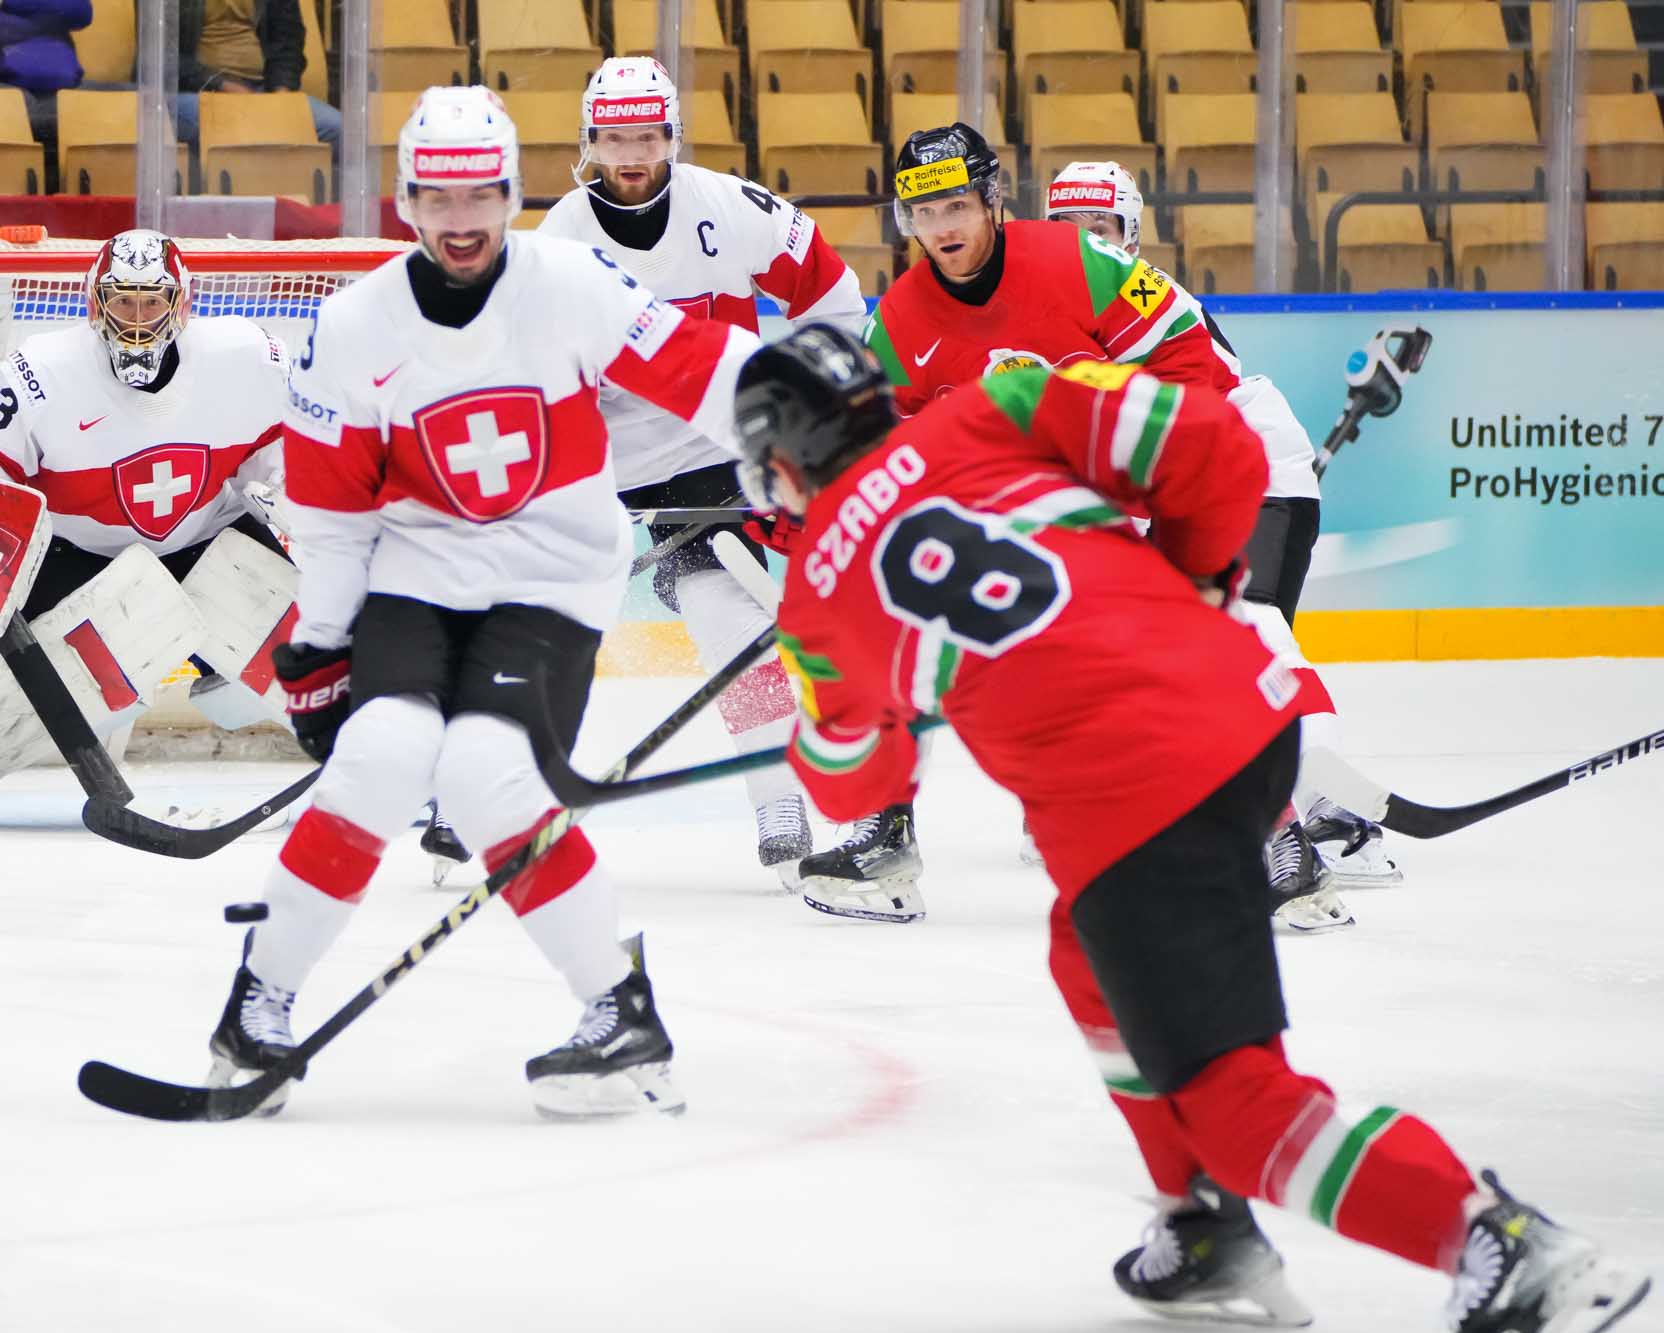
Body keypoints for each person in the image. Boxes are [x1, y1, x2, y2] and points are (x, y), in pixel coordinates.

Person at [733, 323, 1649, 1333]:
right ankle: (1202, 1222)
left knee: (1233, 1106)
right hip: (1249, 711)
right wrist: (1200, 578)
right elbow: (1211, 442)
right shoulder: (990, 406)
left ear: (781, 457)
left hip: (1137, 804)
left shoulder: (816, 598)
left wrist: (829, 732)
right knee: (1082, 953)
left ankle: (1498, 1246)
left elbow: (856, 788)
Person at [206, 85, 762, 1119]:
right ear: (406, 200)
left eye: (479, 196)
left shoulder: (571, 284)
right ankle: (257, 1002)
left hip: (552, 577)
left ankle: (617, 1009)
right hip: (417, 575)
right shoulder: (353, 326)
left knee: (483, 775)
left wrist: (813, 421)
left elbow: (702, 370)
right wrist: (320, 643)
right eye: (437, 197)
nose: (459, 221)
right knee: (378, 759)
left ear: (511, 193)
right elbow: (331, 514)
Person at [861, 122, 1348, 933]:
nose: (941, 228)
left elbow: (1195, 363)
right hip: (1086, 500)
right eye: (923, 213)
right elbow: (892, 454)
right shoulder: (898, 323)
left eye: (955, 205)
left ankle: (1288, 837)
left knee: (1215, 641)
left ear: (991, 200)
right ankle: (886, 829)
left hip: (1199, 463)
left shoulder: (1078, 263)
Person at [533, 55, 867, 889]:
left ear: (673, 135)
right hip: (599, 462)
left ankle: (779, 798)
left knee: (730, 618)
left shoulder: (730, 208)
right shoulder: (558, 244)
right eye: (616, 138)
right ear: (590, 141)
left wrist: (797, 407)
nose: (632, 154)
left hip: (711, 451)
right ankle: (486, 789)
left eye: (647, 135)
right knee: (535, 621)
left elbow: (834, 297)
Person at [0, 227, 296, 827]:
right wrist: (10, 534)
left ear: (181, 304)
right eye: (123, 302)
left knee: (308, 640)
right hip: (78, 556)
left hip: (206, 542)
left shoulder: (248, 358)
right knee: (35, 681)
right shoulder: (42, 371)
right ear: (95, 304)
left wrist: (300, 511)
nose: (137, 320)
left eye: (151, 303)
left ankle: (389, 752)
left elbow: (306, 454)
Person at [1043, 158, 1401, 904]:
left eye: (1100, 228)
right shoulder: (1052, 316)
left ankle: (1331, 804)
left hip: (1252, 472)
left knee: (1252, 627)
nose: (1085, 243)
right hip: (1176, 492)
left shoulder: (1146, 299)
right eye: (1067, 228)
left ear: (1131, 236)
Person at [176, 0, 337, 146]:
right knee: (241, 127)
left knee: (338, 130)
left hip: (263, 92)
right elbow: (166, 56)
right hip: (200, 93)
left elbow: (288, 41)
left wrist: (282, 93)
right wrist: (221, 85)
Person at [0, 0, 91, 151]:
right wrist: (41, 23)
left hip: (61, 86)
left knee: (108, 108)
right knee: (4, 108)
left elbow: (80, 10)